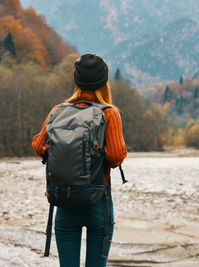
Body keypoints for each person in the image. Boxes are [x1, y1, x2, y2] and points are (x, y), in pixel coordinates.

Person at [32, 53, 127, 267]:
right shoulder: (109, 113)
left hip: (64, 201)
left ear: (76, 81)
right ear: (104, 82)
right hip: (97, 202)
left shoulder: (58, 111)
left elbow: (39, 147)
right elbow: (115, 157)